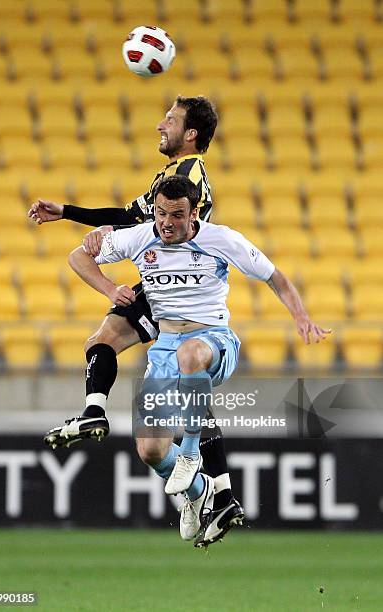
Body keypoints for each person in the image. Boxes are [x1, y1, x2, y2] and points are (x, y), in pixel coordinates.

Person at [68, 175, 331, 545]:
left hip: (213, 340)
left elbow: (276, 277)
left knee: (190, 353)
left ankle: (191, 453)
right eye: (160, 213)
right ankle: (199, 492)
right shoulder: (142, 236)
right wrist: (112, 289)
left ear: (194, 213)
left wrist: (301, 316)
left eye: (176, 215)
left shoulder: (220, 239)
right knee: (151, 450)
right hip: (164, 350)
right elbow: (77, 256)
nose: (166, 223)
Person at [29, 95, 244, 544]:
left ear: (190, 134)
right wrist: (68, 213)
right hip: (162, 286)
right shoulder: (170, 176)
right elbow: (129, 217)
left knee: (157, 358)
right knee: (110, 347)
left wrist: (111, 235)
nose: (159, 124)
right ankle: (214, 491)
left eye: (170, 117)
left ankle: (214, 490)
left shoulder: (188, 176)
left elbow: (155, 226)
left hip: (180, 291)